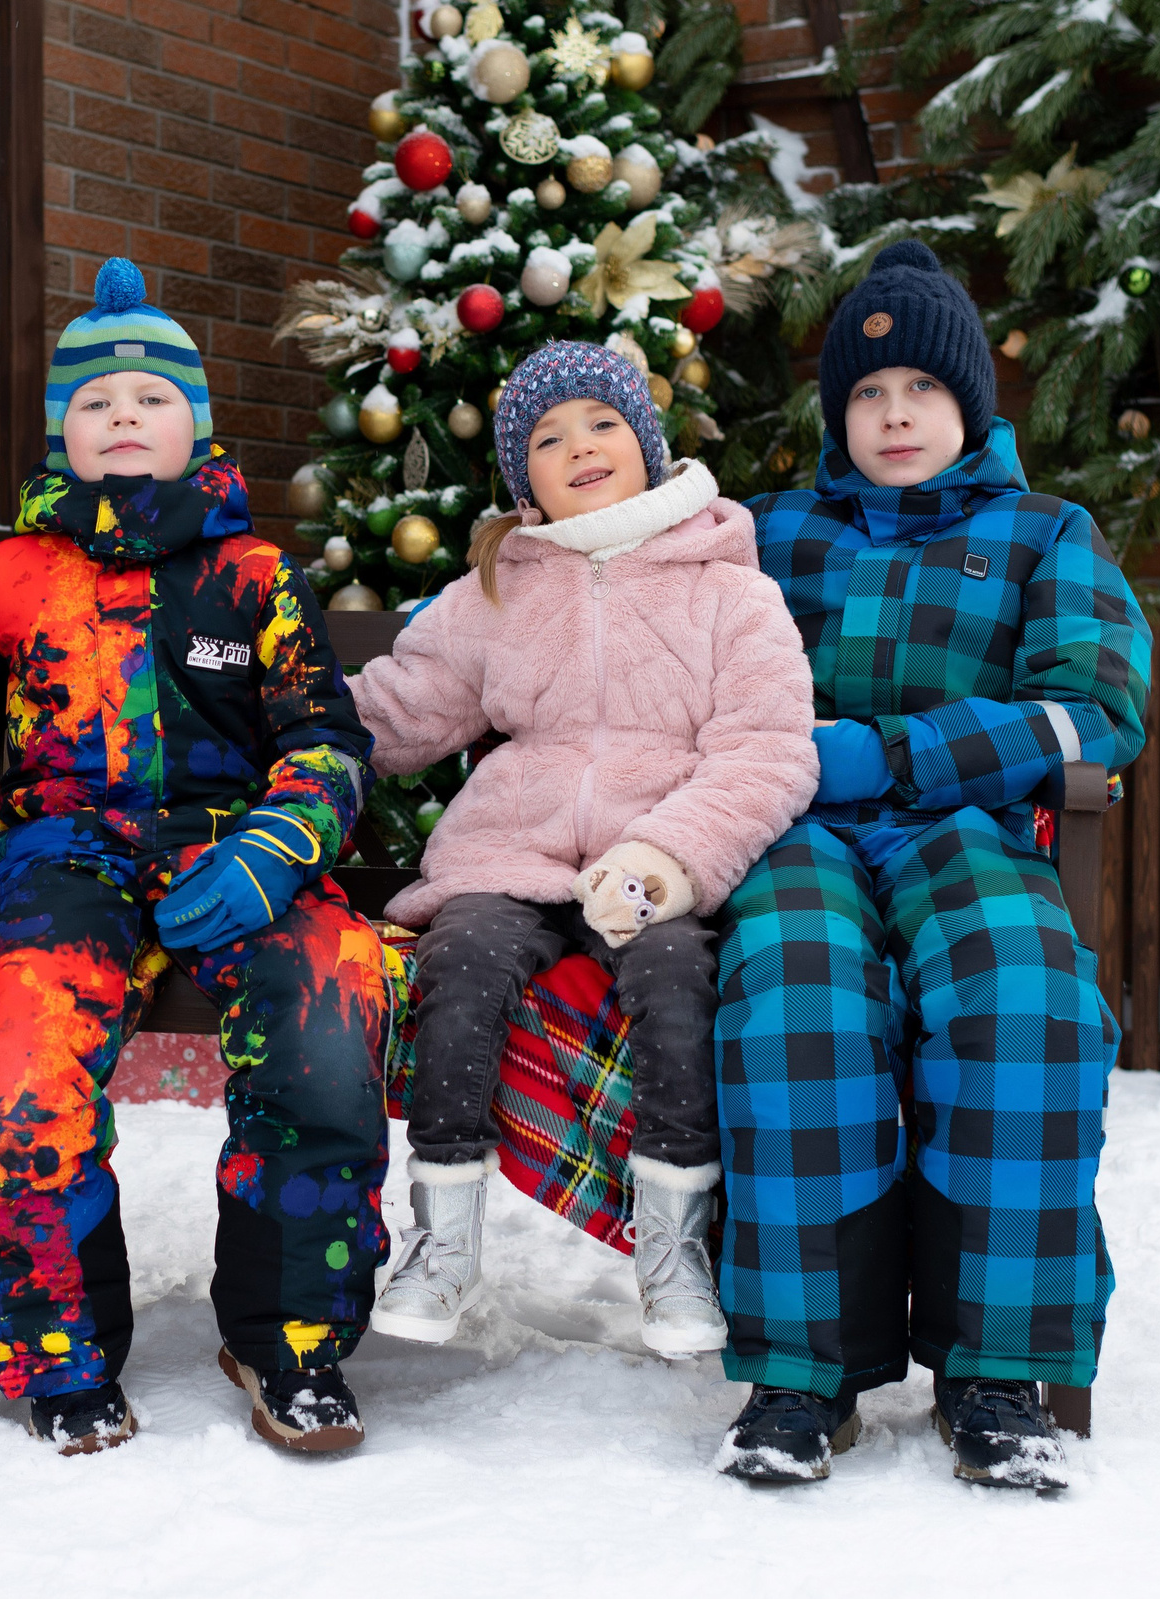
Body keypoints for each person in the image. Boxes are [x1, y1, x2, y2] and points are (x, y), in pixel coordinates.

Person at [0, 259, 391, 1457]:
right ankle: (58, 1342)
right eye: (96, 402)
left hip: (231, 857)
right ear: (62, 434)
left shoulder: (255, 579)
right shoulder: (9, 576)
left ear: (195, 425)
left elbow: (327, 740)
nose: (124, 415)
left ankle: (289, 1333)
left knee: (331, 1006)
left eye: (151, 397)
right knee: (24, 1061)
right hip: (65, 859)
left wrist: (277, 842)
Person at [712, 240, 1150, 1491]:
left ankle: (994, 1367)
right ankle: (803, 1370)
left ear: (969, 406)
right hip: (794, 825)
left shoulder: (1042, 532)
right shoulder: (767, 533)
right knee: (799, 998)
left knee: (1024, 996)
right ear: (834, 415)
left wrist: (895, 751)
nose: (893, 414)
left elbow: (1093, 707)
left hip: (967, 824)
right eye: (865, 393)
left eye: (920, 390)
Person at [346, 339, 818, 1359]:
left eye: (602, 423)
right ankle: (444, 1241)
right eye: (549, 439)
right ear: (525, 482)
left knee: (674, 974)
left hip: (649, 863)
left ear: (646, 443)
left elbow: (767, 750)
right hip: (509, 852)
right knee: (458, 963)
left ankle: (673, 1254)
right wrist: (284, 717)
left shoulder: (730, 594)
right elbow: (406, 708)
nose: (582, 447)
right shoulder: (499, 589)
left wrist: (665, 856)